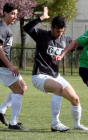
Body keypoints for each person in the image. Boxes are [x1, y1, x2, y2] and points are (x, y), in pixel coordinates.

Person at [23, 7, 88, 132]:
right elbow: (27, 28)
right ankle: (55, 123)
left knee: (75, 99)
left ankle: (77, 125)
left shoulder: (66, 40)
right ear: (51, 27)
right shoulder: (42, 35)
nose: (59, 34)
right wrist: (41, 18)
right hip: (39, 75)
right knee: (58, 88)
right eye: (57, 31)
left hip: (55, 76)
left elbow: (79, 46)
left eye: (61, 31)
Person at [0, 2, 28, 130]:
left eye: (16, 14)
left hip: (4, 65)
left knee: (23, 86)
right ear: (4, 13)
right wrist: (10, 66)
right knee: (19, 90)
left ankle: (2, 110)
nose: (14, 16)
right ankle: (13, 123)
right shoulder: (2, 28)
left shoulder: (5, 27)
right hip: (3, 65)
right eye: (12, 13)